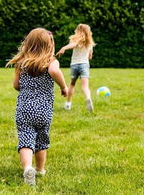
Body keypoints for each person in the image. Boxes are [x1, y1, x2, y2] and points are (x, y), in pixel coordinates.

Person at [6, 28, 68, 186]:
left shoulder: (22, 62)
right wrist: (63, 87)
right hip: (44, 110)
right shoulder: (50, 61)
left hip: (24, 109)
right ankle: (40, 170)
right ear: (49, 45)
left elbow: (16, 85)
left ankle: (27, 168)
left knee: (25, 140)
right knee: (41, 140)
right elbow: (54, 71)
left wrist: (27, 89)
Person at [56, 24, 96, 112]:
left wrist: (64, 48)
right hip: (84, 65)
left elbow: (73, 45)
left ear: (78, 31)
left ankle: (68, 104)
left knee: (72, 84)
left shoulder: (76, 40)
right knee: (85, 86)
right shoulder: (90, 44)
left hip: (74, 65)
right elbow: (90, 57)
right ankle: (88, 98)